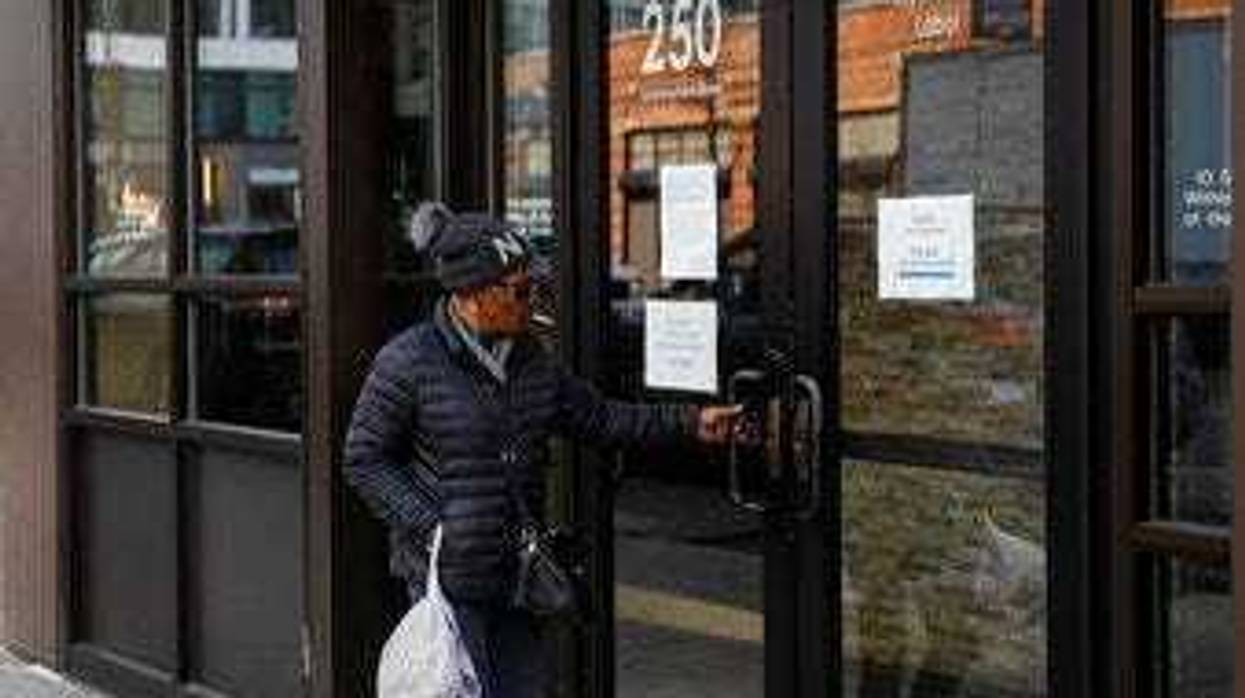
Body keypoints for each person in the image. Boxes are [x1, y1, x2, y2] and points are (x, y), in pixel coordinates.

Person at [343, 203, 742, 698]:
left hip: (516, 578)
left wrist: (691, 423)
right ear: (472, 294)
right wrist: (432, 527)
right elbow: (363, 458)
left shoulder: (532, 361)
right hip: (447, 585)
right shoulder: (408, 361)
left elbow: (600, 418)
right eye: (520, 291)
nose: (532, 302)